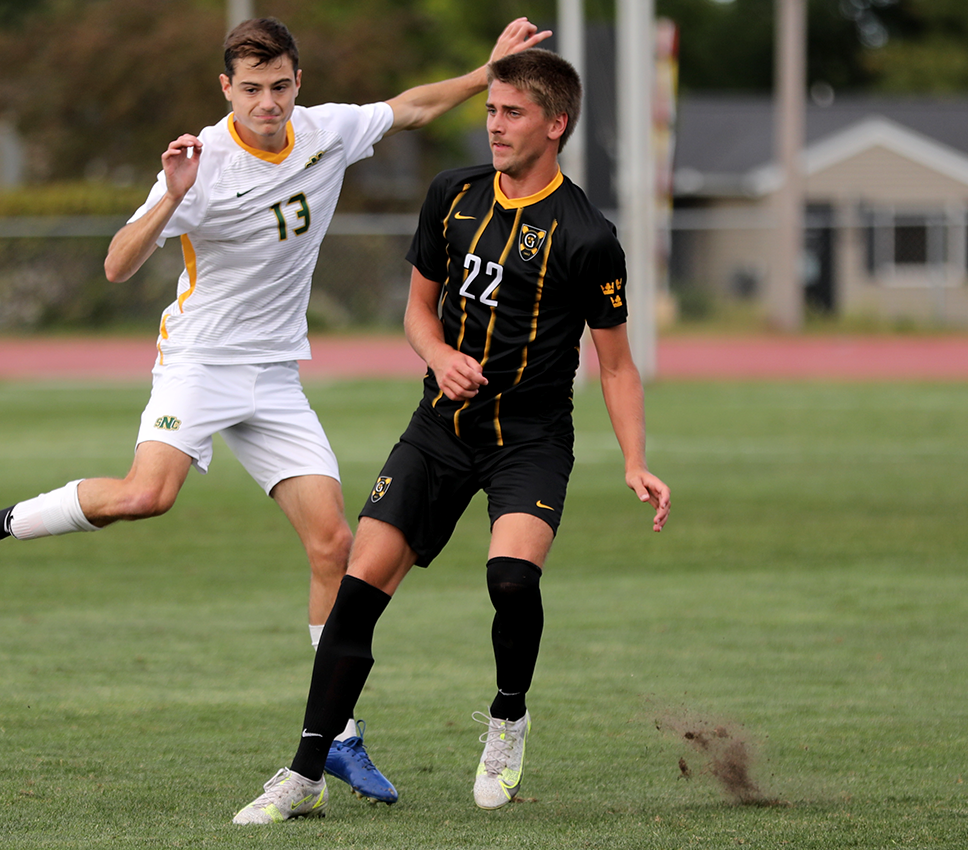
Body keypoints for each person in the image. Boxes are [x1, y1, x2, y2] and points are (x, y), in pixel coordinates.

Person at [0, 15, 552, 806]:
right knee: (147, 496)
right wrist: (169, 197)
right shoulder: (199, 163)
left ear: (297, 82)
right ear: (225, 89)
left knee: (334, 541)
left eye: (279, 87)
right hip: (200, 365)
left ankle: (338, 740)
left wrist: (487, 74)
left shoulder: (326, 131)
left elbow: (411, 106)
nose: (266, 103)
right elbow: (115, 264)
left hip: (273, 376)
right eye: (250, 90)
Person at [232, 47, 671, 825]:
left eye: (512, 113)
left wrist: (636, 461)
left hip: (529, 439)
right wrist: (437, 355)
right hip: (438, 430)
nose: (494, 125)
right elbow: (417, 313)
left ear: (555, 123)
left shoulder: (588, 237)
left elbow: (616, 367)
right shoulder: (452, 195)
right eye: (491, 110)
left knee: (511, 580)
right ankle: (302, 775)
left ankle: (507, 721)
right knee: (356, 597)